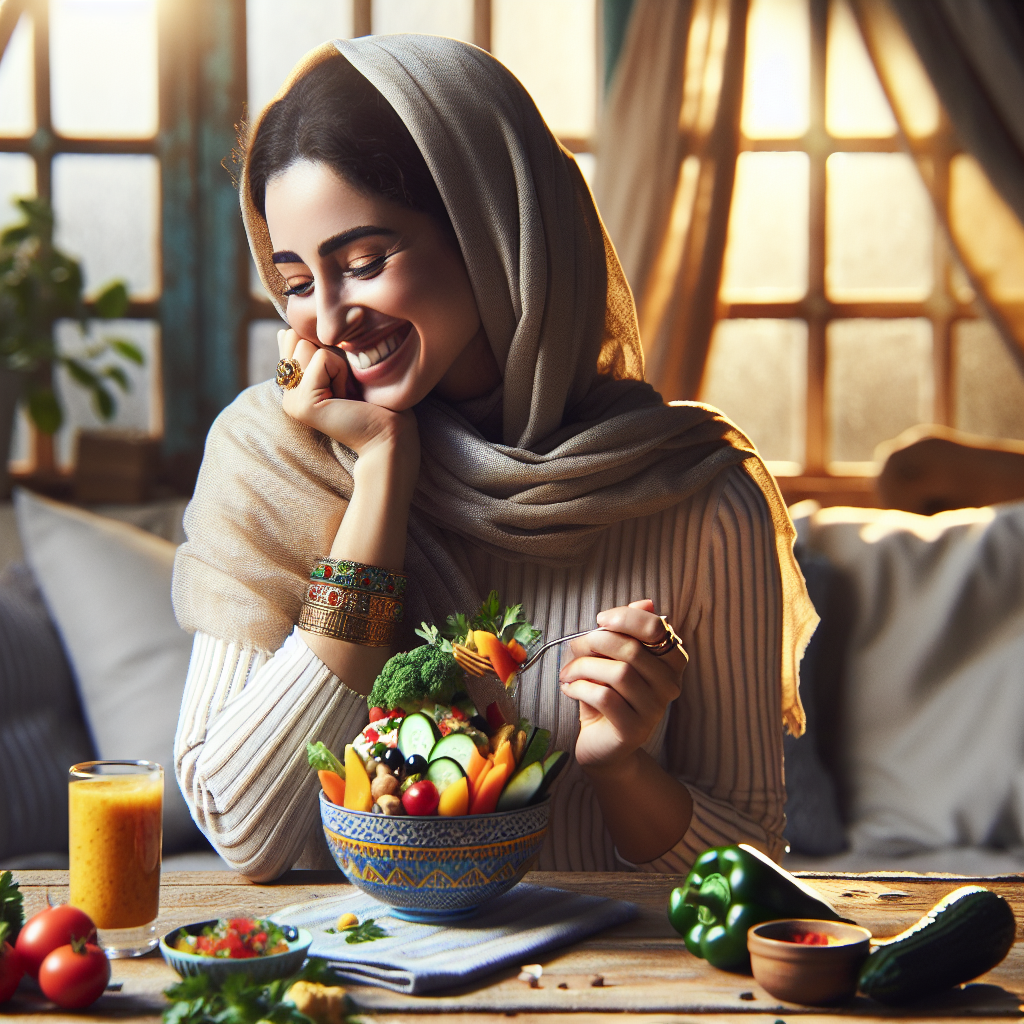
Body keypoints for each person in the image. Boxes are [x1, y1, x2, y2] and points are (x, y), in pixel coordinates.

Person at [172, 35, 816, 882]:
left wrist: (622, 770)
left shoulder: (695, 494)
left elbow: (752, 858)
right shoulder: (274, 455)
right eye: (295, 282)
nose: (327, 322)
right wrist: (381, 479)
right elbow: (242, 828)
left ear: (493, 230)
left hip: (605, 1005)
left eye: (365, 263)